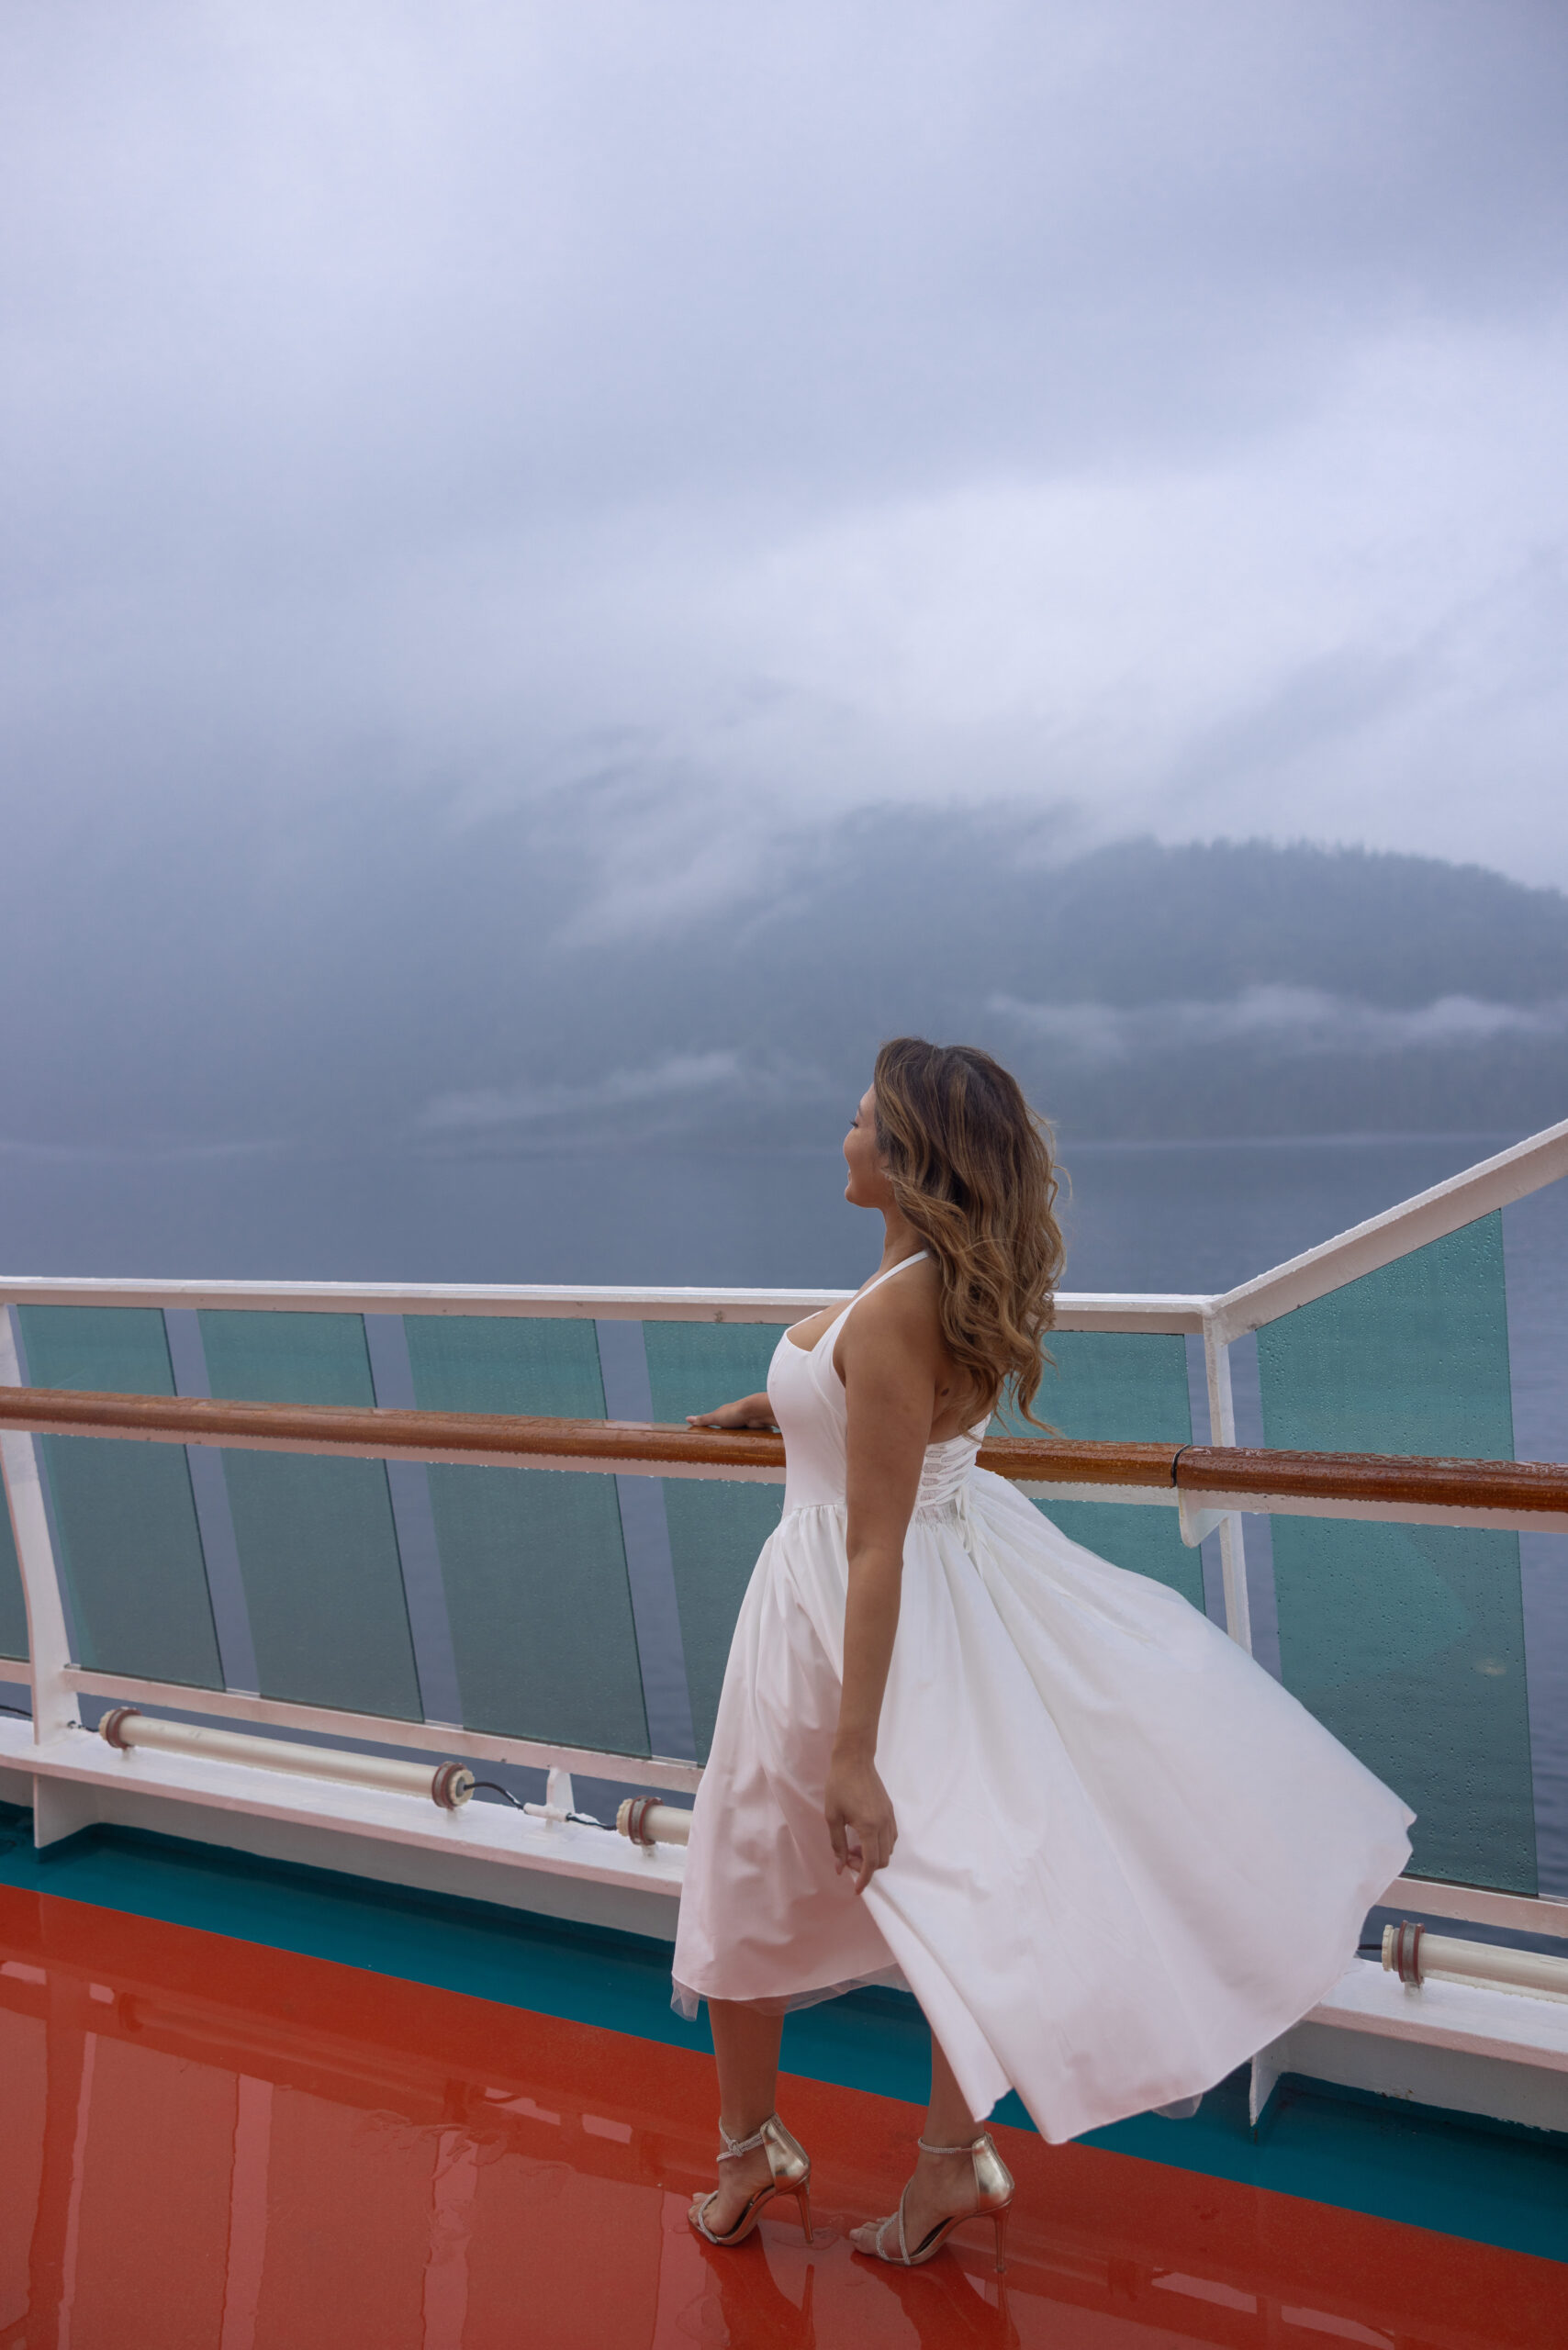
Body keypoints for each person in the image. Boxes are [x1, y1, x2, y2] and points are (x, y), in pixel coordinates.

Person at [674, 1037, 1413, 2272]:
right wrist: (790, 1408)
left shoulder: (899, 1306)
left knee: (788, 1866)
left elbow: (874, 1542)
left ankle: (774, 2155)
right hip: (918, 1599)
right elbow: (882, 1416)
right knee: (939, 1878)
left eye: (859, 1121)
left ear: (909, 1157)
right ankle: (919, 2158)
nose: (842, 1138)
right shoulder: (913, 1287)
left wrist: (853, 1752)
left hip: (850, 1619)